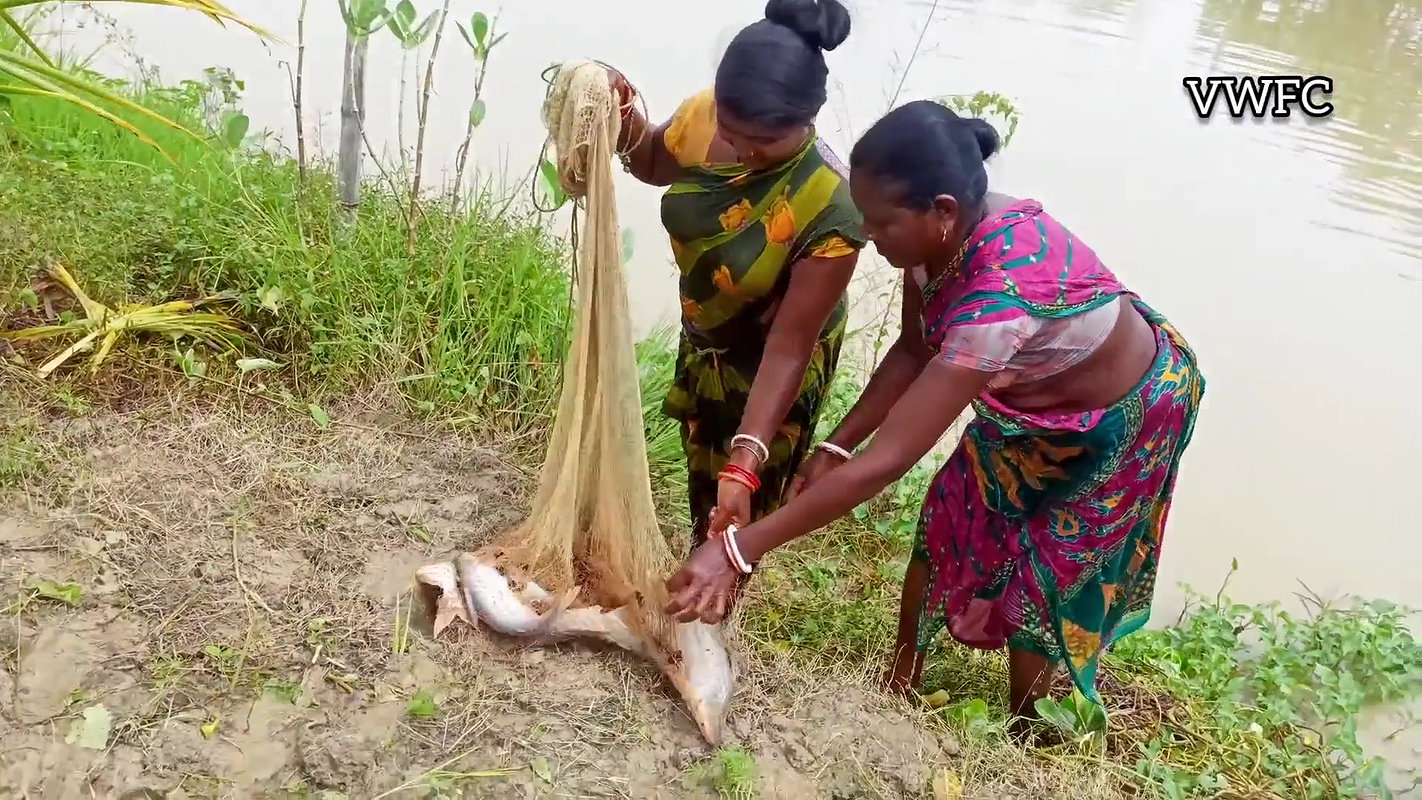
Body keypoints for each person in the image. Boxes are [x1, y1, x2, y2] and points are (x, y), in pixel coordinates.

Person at [665, 100, 1205, 724]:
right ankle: (900, 681)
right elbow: (916, 347)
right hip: (1031, 400)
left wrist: (737, 551)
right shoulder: (931, 244)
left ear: (942, 212)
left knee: (1048, 574)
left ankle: (1028, 728)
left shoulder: (996, 304)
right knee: (945, 519)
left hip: (1128, 416)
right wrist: (836, 446)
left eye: (881, 223)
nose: (868, 237)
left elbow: (887, 462)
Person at [609, 0, 866, 555]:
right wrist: (619, 112)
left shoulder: (832, 206)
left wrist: (748, 456)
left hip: (769, 366)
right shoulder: (703, 115)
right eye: (732, 131)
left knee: (739, 515)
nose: (745, 151)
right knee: (702, 484)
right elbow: (654, 161)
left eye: (764, 145)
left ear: (807, 119)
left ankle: (713, 608)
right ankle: (696, 587)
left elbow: (791, 346)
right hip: (707, 337)